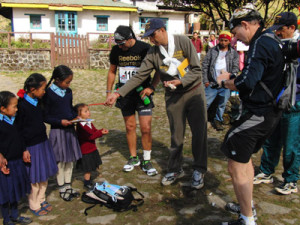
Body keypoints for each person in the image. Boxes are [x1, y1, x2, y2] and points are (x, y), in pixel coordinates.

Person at [105, 18, 207, 189]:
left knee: (199, 133)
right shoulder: (153, 53)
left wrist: (181, 82)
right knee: (176, 135)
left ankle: (199, 169)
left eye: (153, 35)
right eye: (149, 37)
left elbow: (197, 70)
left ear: (162, 30)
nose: (151, 40)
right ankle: (175, 169)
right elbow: (139, 76)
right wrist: (117, 93)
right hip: (173, 97)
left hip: (194, 92)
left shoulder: (183, 41)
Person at [217, 3, 285, 225]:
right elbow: (257, 74)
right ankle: (247, 207)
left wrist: (226, 82)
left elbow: (247, 82)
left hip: (260, 112)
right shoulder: (271, 39)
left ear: (245, 25)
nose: (235, 39)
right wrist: (236, 76)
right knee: (243, 160)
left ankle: (247, 219)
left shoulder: (259, 43)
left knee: (234, 160)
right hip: (269, 112)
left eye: (236, 32)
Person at [253, 12, 300, 195]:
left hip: (294, 102)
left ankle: (290, 179)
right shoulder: (278, 44)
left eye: (281, 29)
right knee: (271, 140)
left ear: (292, 28)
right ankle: (266, 171)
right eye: (277, 29)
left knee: (291, 144)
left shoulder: (296, 47)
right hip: (275, 101)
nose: (278, 33)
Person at [105, 25, 159, 176]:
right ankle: (133, 157)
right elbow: (112, 71)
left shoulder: (145, 48)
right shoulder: (116, 51)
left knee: (146, 128)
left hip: (142, 93)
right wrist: (109, 92)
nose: (120, 47)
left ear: (131, 39)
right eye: (118, 44)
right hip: (124, 94)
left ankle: (147, 160)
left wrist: (152, 87)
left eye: (122, 43)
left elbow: (159, 70)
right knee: (130, 127)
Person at [16, 74, 58, 216]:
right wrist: (23, 150)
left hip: (42, 142)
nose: (44, 91)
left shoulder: (38, 102)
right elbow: (18, 130)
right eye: (42, 89)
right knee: (34, 177)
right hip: (31, 146)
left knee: (44, 174)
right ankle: (34, 204)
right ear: (33, 89)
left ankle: (42, 198)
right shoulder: (21, 106)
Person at [43, 65, 82, 201]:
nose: (68, 84)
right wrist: (60, 122)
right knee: (60, 160)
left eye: (70, 82)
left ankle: (68, 184)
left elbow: (69, 109)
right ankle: (61, 187)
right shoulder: (48, 94)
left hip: (69, 130)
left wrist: (76, 117)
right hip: (58, 131)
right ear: (58, 80)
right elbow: (45, 116)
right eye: (67, 82)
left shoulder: (68, 92)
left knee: (70, 159)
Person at [0, 91, 32, 225]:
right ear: (3, 109)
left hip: (17, 160)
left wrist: (24, 150)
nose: (16, 109)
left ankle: (14, 215)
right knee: (5, 192)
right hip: (5, 164)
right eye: (14, 106)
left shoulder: (14, 119)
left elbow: (20, 136)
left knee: (15, 189)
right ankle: (6, 219)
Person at [202, 30, 239, 131]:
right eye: (221, 40)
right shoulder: (212, 51)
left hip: (225, 84)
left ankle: (218, 120)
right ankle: (201, 121)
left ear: (229, 41)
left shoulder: (233, 53)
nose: (223, 42)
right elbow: (205, 65)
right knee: (205, 103)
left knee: (222, 104)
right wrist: (205, 80)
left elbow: (236, 67)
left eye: (226, 40)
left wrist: (231, 76)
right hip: (211, 82)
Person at [74, 103, 109, 190]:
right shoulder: (81, 125)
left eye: (88, 110)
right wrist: (100, 133)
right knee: (87, 168)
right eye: (85, 111)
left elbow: (94, 131)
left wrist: (100, 131)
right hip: (86, 150)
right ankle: (87, 182)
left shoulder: (88, 122)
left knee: (92, 165)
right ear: (78, 115)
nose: (88, 112)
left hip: (92, 148)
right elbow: (90, 136)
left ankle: (89, 180)